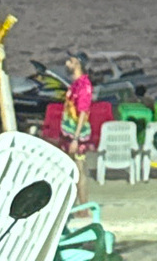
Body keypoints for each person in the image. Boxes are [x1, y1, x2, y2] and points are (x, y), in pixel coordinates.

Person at [60, 52, 93, 202]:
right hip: (68, 132)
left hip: (76, 134)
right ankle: (72, 202)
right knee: (69, 168)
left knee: (79, 169)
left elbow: (83, 113)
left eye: (71, 61)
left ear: (78, 64)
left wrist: (76, 138)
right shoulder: (75, 84)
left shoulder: (84, 86)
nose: (67, 63)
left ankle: (83, 205)